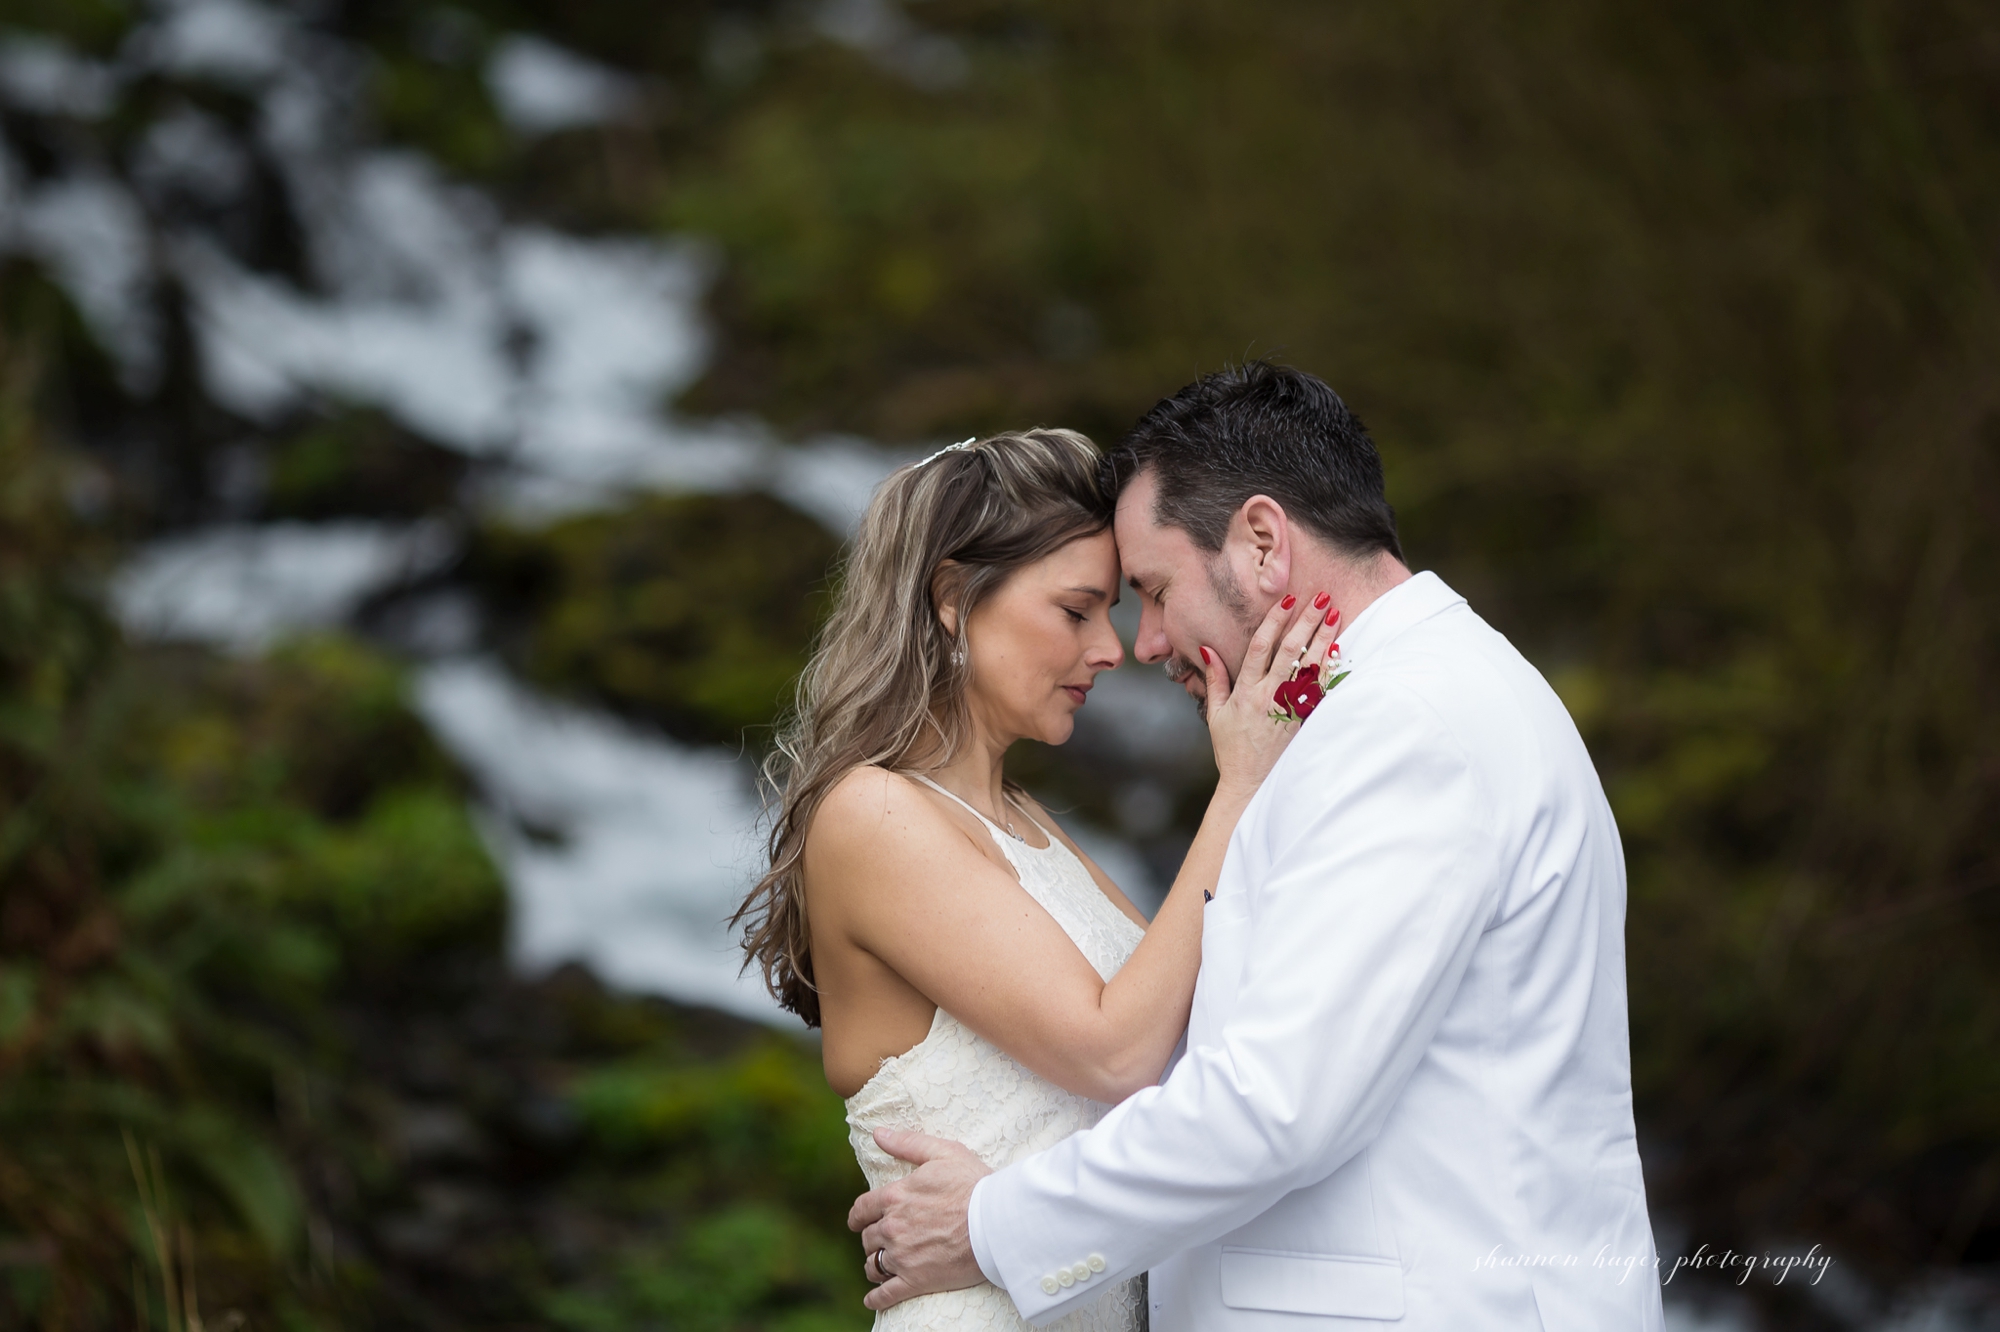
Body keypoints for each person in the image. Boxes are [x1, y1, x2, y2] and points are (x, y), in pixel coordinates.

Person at [848, 364, 1668, 1330]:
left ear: (1264, 544)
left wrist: (991, 1225)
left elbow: (1276, 1105)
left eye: (1153, 591)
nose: (1141, 644)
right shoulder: (1408, 704)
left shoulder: (1405, 728)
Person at [733, 426, 1342, 1331]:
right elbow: (1115, 1053)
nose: (1112, 647)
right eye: (1076, 610)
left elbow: (1186, 1040)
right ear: (952, 599)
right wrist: (1242, 783)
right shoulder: (872, 815)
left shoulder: (1027, 825)